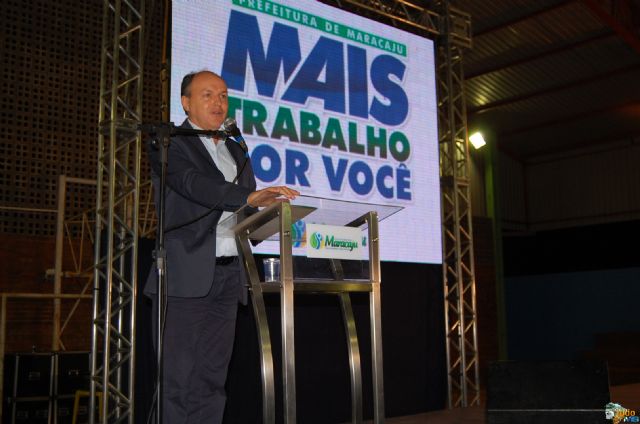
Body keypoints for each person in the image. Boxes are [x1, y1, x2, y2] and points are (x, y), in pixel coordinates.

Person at [144, 70, 299, 423]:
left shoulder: (234, 148)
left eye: (224, 95)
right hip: (185, 276)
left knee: (212, 380)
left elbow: (246, 208)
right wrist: (247, 197)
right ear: (185, 103)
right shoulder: (169, 144)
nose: (218, 102)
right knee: (177, 381)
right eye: (208, 95)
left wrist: (273, 216)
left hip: (230, 277)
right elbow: (193, 184)